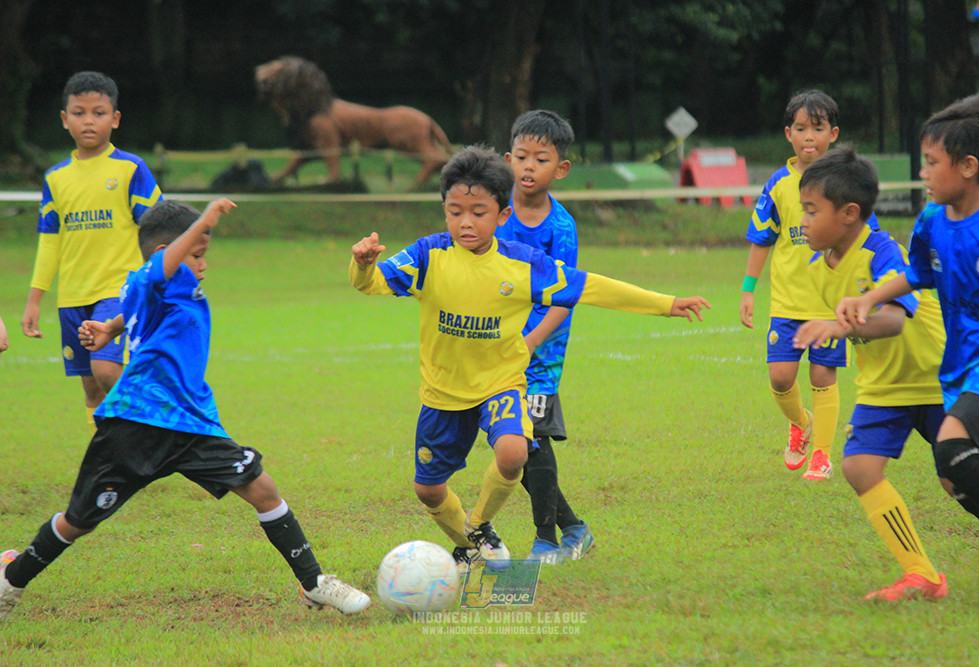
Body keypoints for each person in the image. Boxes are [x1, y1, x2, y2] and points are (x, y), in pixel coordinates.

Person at [1, 199, 370, 622]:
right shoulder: (150, 275)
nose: (203, 263)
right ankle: (11, 579)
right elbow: (153, 276)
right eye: (197, 253)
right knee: (78, 521)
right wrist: (204, 221)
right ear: (168, 252)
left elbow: (145, 303)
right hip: (135, 423)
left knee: (262, 488)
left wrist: (109, 327)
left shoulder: (164, 285)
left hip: (192, 422)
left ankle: (315, 583)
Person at [350, 145, 710, 571]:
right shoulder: (430, 255)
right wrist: (363, 265)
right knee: (428, 490)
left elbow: (589, 287)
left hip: (501, 383)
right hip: (442, 392)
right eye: (455, 211)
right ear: (444, 209)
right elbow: (371, 284)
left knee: (513, 453)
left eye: (478, 212)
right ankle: (468, 540)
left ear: (502, 216)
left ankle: (480, 525)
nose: (465, 222)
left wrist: (665, 303)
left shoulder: (523, 264)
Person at [837, 91, 979, 604]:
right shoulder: (932, 220)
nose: (923, 172)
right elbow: (915, 275)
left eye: (932, 162)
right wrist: (866, 299)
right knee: (958, 481)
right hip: (960, 367)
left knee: (952, 446)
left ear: (968, 166)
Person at [792, 147, 947, 601]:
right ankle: (921, 573)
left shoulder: (882, 251)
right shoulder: (819, 267)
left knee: (960, 478)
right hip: (883, 387)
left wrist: (837, 327)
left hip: (936, 379)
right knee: (859, 468)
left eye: (811, 210)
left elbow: (896, 320)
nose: (803, 220)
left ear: (849, 214)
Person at [740, 89, 878, 481]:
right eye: (801, 128)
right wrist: (749, 289)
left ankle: (821, 455)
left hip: (829, 304)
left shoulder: (846, 184)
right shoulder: (779, 184)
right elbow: (761, 237)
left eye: (817, 128)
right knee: (781, 376)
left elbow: (870, 236)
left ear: (833, 134)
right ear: (788, 133)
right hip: (786, 304)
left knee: (822, 376)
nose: (809, 137)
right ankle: (800, 423)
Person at [20, 71, 163, 428]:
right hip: (72, 295)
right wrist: (35, 299)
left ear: (114, 119)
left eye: (99, 113)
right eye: (79, 112)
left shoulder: (131, 169)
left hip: (118, 288)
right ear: (65, 119)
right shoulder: (56, 178)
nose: (89, 120)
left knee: (106, 369)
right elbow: (50, 239)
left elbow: (160, 227)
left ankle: (150, 430)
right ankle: (110, 456)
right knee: (91, 388)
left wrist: (160, 277)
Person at [494, 110, 591, 564]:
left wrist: (529, 343)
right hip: (494, 347)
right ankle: (574, 528)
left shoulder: (561, 229)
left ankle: (547, 539)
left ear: (561, 169)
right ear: (507, 158)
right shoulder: (496, 212)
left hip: (540, 354)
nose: (529, 167)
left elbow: (562, 300)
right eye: (522, 157)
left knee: (532, 440)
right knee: (510, 442)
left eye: (541, 159)